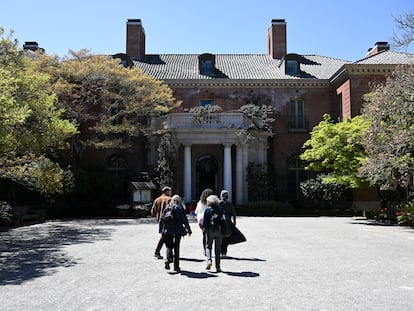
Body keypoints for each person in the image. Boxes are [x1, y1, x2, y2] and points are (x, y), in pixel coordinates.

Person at [160, 195, 192, 273]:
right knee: (177, 248)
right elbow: (185, 220)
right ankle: (176, 267)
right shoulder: (180, 208)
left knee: (169, 246)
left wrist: (162, 231)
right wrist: (189, 229)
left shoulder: (167, 208)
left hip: (168, 230)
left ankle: (168, 259)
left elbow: (162, 220)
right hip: (178, 230)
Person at [202, 194, 225, 273]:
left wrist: (204, 230)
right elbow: (224, 220)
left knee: (208, 246)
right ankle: (218, 267)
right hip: (219, 231)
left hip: (210, 230)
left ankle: (209, 260)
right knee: (218, 249)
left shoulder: (207, 210)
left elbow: (204, 222)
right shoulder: (221, 209)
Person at [151, 186, 172, 259]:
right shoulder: (169, 199)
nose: (171, 192)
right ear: (166, 191)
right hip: (167, 220)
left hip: (160, 219)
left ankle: (169, 252)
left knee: (165, 235)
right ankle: (157, 251)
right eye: (170, 191)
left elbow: (152, 211)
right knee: (165, 236)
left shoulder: (157, 200)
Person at [195, 188, 213, 255]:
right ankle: (208, 249)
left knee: (204, 235)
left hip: (200, 221)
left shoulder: (199, 202)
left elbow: (196, 212)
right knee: (209, 236)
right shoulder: (210, 203)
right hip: (208, 221)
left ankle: (205, 249)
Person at [219, 190, 236, 258]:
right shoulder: (229, 204)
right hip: (227, 223)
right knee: (226, 238)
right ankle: (223, 252)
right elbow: (234, 213)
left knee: (221, 238)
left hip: (221, 223)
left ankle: (221, 252)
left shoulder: (219, 203)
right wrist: (234, 221)